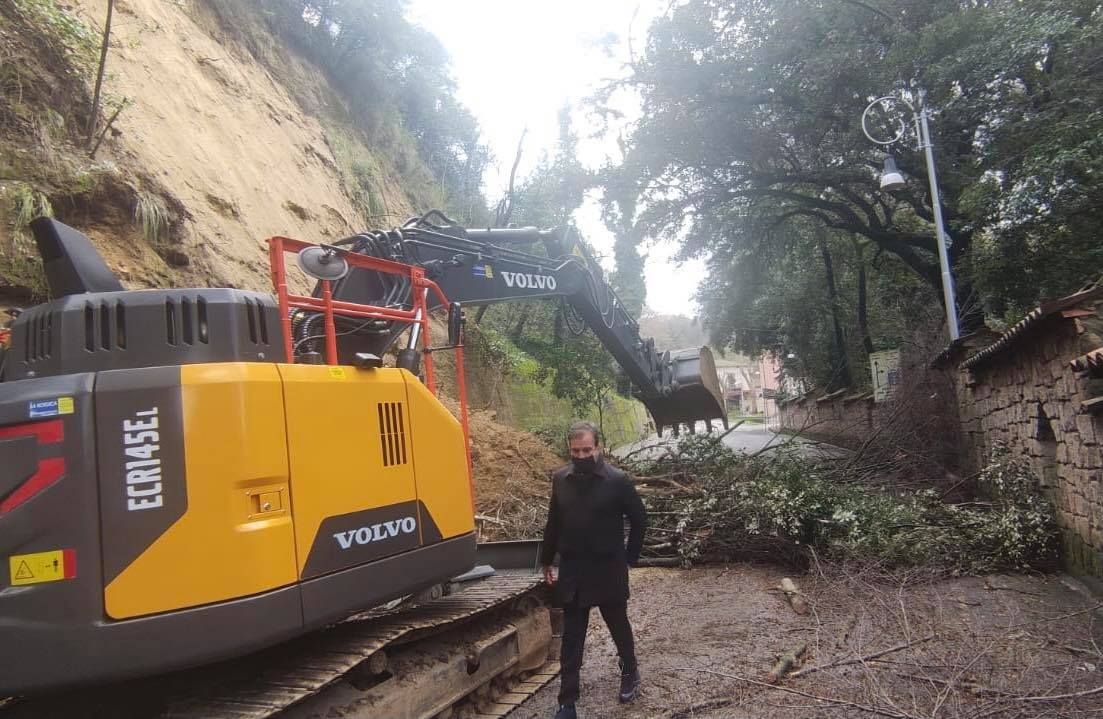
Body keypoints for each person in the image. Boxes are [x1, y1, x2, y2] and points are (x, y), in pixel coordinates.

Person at [540, 421, 647, 719]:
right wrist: (547, 560)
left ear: (598, 448)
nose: (582, 455)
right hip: (573, 569)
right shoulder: (560, 479)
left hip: (608, 568)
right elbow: (554, 523)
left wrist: (630, 558)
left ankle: (630, 671)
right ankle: (567, 701)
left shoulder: (617, 480)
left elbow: (639, 520)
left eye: (587, 450)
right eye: (576, 451)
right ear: (569, 450)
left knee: (618, 627)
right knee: (572, 636)